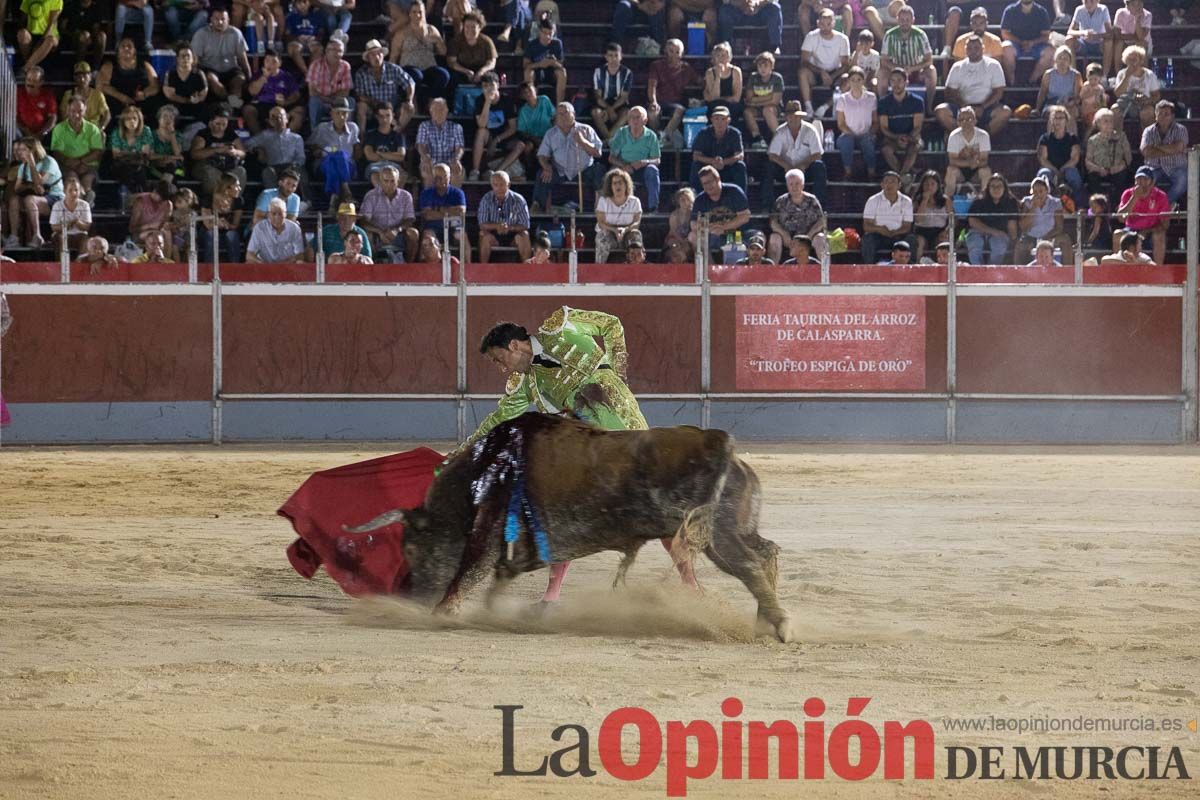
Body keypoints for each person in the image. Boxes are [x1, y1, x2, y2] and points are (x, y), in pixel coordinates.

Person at [532, 103, 604, 212]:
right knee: (542, 174)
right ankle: (538, 205)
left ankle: (600, 206)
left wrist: (583, 141)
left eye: (566, 112)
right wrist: (546, 165)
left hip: (584, 170)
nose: (563, 116)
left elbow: (598, 153)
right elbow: (542, 155)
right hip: (561, 171)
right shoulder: (551, 133)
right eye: (559, 114)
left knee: (599, 170)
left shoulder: (586, 129)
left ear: (574, 114)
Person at [936, 35, 1011, 137]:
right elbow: (949, 92)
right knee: (941, 111)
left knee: (1005, 112)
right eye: (970, 48)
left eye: (976, 48)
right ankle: (961, 136)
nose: (973, 51)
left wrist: (983, 107)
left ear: (983, 49)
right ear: (965, 50)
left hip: (986, 107)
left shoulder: (993, 65)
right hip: (962, 107)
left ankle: (982, 138)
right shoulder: (957, 66)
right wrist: (964, 106)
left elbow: (999, 92)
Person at [763, 101, 826, 210]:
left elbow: (817, 154)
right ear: (786, 117)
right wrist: (786, 165)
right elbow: (772, 155)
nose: (793, 118)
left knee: (819, 166)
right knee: (769, 167)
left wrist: (803, 165)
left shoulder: (810, 130)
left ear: (801, 117)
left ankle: (819, 206)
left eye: (796, 116)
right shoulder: (780, 131)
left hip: (806, 171)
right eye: (791, 116)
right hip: (785, 170)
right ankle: (768, 206)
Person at [5, 137, 63, 250]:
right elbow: (17, 188)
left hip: (55, 198)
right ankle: (14, 237)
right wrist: (30, 186)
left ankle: (37, 236)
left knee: (29, 199)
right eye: (20, 150)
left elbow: (39, 184)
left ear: (33, 150)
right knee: (14, 200)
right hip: (37, 197)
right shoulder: (23, 166)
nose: (20, 153)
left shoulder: (49, 162)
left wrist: (32, 164)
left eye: (24, 150)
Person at [880, 5, 937, 115]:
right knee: (882, 73)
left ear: (913, 20)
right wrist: (898, 69)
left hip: (915, 70)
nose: (904, 22)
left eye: (907, 20)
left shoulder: (920, 35)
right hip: (895, 70)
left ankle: (928, 107)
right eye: (902, 20)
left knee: (931, 71)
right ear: (897, 20)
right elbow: (884, 60)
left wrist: (912, 68)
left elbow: (929, 60)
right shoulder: (889, 35)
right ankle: (883, 108)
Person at [392, 1, 452, 106]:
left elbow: (443, 52)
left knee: (443, 75)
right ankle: (413, 102)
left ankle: (431, 102)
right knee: (416, 75)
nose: (417, 15)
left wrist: (438, 41)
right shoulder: (401, 33)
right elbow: (394, 56)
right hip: (409, 68)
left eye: (420, 12)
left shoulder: (432, 30)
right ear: (409, 14)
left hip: (429, 67)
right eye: (414, 12)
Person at [354, 38, 415, 135]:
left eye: (379, 53)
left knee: (409, 108)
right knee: (361, 106)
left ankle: (396, 133)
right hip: (373, 107)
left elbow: (410, 83)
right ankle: (362, 138)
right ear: (368, 58)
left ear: (383, 55)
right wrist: (375, 103)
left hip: (393, 107)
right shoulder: (361, 73)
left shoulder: (393, 69)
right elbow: (359, 95)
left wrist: (409, 99)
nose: (377, 57)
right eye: (373, 55)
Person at [470, 72, 524, 181]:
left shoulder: (507, 100)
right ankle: (475, 170)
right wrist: (487, 102)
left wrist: (497, 140)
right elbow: (481, 124)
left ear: (498, 85)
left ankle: (497, 172)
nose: (489, 89)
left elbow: (513, 127)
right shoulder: (479, 100)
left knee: (520, 145)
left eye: (492, 85)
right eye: (485, 86)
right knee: (481, 132)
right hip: (488, 135)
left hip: (504, 136)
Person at [645, 38, 697, 150]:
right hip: (659, 101)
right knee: (652, 112)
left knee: (680, 110)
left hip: (675, 104)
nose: (673, 55)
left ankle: (663, 137)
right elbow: (652, 86)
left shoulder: (686, 68)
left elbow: (699, 81)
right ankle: (654, 140)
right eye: (671, 51)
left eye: (677, 52)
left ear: (682, 54)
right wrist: (653, 101)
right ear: (665, 51)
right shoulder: (656, 65)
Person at [767, 168, 827, 265]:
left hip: (809, 237)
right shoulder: (781, 201)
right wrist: (784, 234)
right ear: (787, 185)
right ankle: (773, 273)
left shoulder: (812, 200)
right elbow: (773, 222)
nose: (794, 187)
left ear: (803, 184)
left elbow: (821, 220)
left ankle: (826, 272)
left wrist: (808, 236)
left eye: (797, 183)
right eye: (791, 184)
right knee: (774, 238)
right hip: (787, 239)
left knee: (821, 238)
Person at [360, 165, 419, 262]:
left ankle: (409, 265)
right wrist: (380, 232)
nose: (389, 184)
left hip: (399, 234)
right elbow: (364, 221)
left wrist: (396, 230)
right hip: (377, 235)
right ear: (380, 180)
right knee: (367, 234)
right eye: (386, 181)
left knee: (413, 233)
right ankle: (371, 265)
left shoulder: (406, 196)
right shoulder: (371, 195)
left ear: (398, 181)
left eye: (392, 181)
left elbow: (410, 219)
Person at [608, 107, 662, 213]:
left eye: (638, 117)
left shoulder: (651, 136)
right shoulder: (622, 133)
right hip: (624, 167)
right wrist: (624, 165)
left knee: (653, 170)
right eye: (632, 117)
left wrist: (644, 162)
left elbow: (657, 160)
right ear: (628, 120)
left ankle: (653, 208)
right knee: (614, 174)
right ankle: (615, 208)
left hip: (643, 168)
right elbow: (612, 158)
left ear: (645, 121)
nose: (634, 120)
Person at [49, 97, 103, 204]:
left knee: (87, 182)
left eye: (80, 111)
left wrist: (81, 161)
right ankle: (85, 202)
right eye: (73, 111)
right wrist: (72, 162)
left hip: (88, 165)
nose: (77, 115)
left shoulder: (93, 129)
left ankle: (86, 197)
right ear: (68, 110)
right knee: (72, 182)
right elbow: (57, 153)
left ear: (85, 110)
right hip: (68, 165)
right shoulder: (59, 128)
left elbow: (97, 151)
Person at [308, 96, 360, 206]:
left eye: (344, 113)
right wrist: (318, 151)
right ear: (331, 114)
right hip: (324, 163)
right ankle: (345, 189)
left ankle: (333, 196)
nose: (341, 117)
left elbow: (356, 149)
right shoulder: (322, 128)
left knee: (339, 156)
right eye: (338, 113)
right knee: (333, 159)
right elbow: (311, 145)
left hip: (348, 165)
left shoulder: (353, 128)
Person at [190, 9, 251, 103]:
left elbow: (243, 59)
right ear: (211, 20)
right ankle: (228, 104)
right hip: (210, 68)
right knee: (213, 81)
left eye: (223, 19)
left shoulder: (236, 33)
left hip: (231, 68)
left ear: (228, 20)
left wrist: (248, 77)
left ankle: (234, 107)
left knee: (239, 81)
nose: (220, 22)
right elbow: (195, 61)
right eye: (216, 19)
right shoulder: (201, 34)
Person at [690, 165, 751, 258]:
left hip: (736, 233)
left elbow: (745, 216)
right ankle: (709, 268)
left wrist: (723, 227)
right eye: (704, 184)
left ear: (718, 179)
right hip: (712, 234)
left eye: (710, 182)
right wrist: (709, 228)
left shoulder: (734, 191)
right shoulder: (700, 200)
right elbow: (693, 224)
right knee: (692, 236)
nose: (708, 186)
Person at [800, 8, 850, 118]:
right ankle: (809, 109)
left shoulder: (842, 39)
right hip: (816, 72)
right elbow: (804, 61)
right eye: (822, 23)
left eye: (828, 23)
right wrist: (821, 72)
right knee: (802, 73)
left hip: (835, 73)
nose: (826, 26)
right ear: (818, 23)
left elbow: (846, 64)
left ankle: (825, 107)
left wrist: (832, 76)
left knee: (847, 79)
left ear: (834, 23)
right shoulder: (811, 36)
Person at [190, 105, 248, 199]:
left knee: (241, 171)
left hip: (227, 166)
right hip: (207, 166)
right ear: (211, 123)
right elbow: (194, 154)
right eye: (218, 124)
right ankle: (214, 200)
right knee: (211, 173)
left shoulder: (231, 135)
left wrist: (235, 152)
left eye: (224, 124)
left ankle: (233, 200)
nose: (221, 127)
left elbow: (243, 153)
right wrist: (216, 150)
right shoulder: (203, 135)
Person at [1115, 165, 1169, 265]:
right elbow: (1120, 218)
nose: (1141, 183)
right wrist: (1134, 198)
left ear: (1152, 182)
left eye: (1145, 179)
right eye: (1138, 179)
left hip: (1151, 230)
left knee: (1160, 236)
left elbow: (1165, 224)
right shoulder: (1128, 194)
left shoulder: (1161, 196)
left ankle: (1158, 270)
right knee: (1117, 234)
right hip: (1131, 230)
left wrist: (1147, 231)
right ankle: (1120, 269)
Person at [97, 37, 161, 119]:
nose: (126, 48)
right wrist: (122, 97)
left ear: (134, 51)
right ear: (118, 51)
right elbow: (101, 86)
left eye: (129, 46)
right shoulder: (109, 66)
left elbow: (155, 86)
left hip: (139, 100)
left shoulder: (145, 65)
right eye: (123, 46)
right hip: (117, 101)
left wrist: (144, 94)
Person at [245, 104, 306, 189]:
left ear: (287, 119)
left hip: (291, 167)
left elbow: (301, 158)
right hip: (274, 167)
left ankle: (307, 200)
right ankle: (274, 199)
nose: (278, 119)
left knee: (300, 171)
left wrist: (293, 166)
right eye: (273, 117)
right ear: (270, 121)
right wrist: (258, 149)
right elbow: (247, 144)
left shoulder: (296, 138)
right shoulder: (264, 136)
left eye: (281, 116)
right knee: (267, 172)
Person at [1140, 100, 1188, 207]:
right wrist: (1170, 149)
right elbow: (1146, 151)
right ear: (1155, 116)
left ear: (1172, 116)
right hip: (1154, 167)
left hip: (1176, 167)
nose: (1163, 116)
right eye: (1160, 114)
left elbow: (1178, 147)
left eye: (1166, 114)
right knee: (1144, 182)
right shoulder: (1148, 131)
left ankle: (1163, 205)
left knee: (1182, 182)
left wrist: (1156, 147)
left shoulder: (1181, 129)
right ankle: (1148, 208)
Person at [244, 49, 304, 134]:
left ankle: (287, 138)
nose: (270, 64)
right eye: (267, 61)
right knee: (248, 110)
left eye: (274, 62)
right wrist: (264, 77)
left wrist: (285, 102)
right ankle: (259, 138)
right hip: (263, 104)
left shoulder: (287, 76)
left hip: (281, 105)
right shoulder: (258, 75)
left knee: (299, 111)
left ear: (280, 63)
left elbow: (296, 94)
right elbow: (252, 92)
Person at [878, 68, 924, 177]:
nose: (896, 84)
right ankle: (904, 176)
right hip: (892, 137)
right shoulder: (884, 102)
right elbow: (884, 127)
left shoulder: (917, 101)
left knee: (915, 147)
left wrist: (907, 138)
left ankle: (901, 176)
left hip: (911, 136)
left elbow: (918, 126)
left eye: (899, 80)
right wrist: (897, 138)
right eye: (892, 81)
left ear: (906, 82)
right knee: (886, 150)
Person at [477, 170, 532, 262]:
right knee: (483, 235)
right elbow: (482, 224)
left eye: (502, 184)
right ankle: (483, 269)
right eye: (495, 185)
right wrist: (497, 226)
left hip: (513, 234)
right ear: (492, 186)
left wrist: (510, 227)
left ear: (509, 185)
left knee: (525, 235)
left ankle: (527, 268)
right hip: (493, 234)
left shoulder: (519, 200)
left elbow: (525, 224)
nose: (499, 188)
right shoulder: (486, 199)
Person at [419, 164, 470, 261]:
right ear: (433, 178)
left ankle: (468, 268)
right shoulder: (426, 193)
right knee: (427, 237)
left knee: (462, 236)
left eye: (444, 176)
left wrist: (438, 210)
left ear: (449, 177)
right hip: (433, 227)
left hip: (454, 225)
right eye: (438, 177)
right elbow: (428, 215)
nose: (441, 180)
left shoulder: (457, 193)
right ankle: (425, 267)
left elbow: (460, 212)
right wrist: (449, 212)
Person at [950, 7, 1015, 84]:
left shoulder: (995, 41)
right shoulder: (960, 41)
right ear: (971, 24)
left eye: (981, 23)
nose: (978, 26)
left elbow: (996, 68)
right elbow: (959, 68)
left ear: (986, 24)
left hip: (988, 80)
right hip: (967, 80)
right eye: (975, 23)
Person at [861, 171, 915, 263]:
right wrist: (880, 229)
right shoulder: (873, 200)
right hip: (879, 235)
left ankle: (911, 269)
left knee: (912, 239)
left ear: (899, 185)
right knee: (867, 239)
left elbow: (907, 226)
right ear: (882, 185)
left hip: (899, 235)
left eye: (893, 182)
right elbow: (866, 225)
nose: (889, 184)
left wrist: (896, 232)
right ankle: (869, 270)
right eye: (886, 181)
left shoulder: (906, 201)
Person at [966, 172, 1019, 264]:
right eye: (993, 186)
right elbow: (972, 221)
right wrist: (993, 231)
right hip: (978, 232)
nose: (996, 189)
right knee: (975, 244)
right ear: (988, 188)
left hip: (1000, 234)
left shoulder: (1011, 202)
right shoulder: (979, 201)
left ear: (1004, 188)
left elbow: (1012, 226)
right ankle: (977, 271)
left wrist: (1013, 242)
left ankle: (992, 272)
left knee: (998, 246)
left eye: (999, 186)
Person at [835, 66, 878, 180]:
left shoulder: (871, 97)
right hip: (848, 133)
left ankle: (871, 173)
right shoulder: (843, 99)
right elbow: (841, 124)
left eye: (859, 79)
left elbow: (875, 121)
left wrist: (870, 133)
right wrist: (850, 134)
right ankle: (848, 172)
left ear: (863, 81)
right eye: (853, 80)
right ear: (849, 81)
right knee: (846, 141)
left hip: (866, 134)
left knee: (867, 142)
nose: (856, 83)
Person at [594, 168, 643, 263]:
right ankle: (599, 268)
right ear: (610, 186)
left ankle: (636, 267)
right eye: (614, 183)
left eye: (620, 182)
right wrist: (614, 230)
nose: (617, 185)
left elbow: (637, 223)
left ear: (626, 185)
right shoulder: (603, 201)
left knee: (636, 235)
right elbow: (601, 223)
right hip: (609, 232)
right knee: (602, 237)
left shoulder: (635, 201)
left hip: (627, 232)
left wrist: (625, 230)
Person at [1085, 107, 1131, 206]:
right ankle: (1098, 206)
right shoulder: (1092, 140)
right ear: (1098, 124)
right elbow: (1088, 161)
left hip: (1117, 169)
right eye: (1105, 121)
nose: (1109, 124)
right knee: (1092, 178)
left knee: (1122, 177)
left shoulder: (1121, 137)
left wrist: (1120, 166)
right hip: (1099, 170)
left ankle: (1118, 206)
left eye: (1111, 121)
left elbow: (1128, 157)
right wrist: (1099, 169)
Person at [1000, 0, 1055, 83]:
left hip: (1037, 46)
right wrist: (1021, 42)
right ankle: (1012, 83)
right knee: (1005, 48)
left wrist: (1032, 43)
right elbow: (1004, 33)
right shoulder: (1010, 10)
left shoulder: (1041, 11)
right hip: (1016, 45)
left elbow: (1046, 35)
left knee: (1050, 52)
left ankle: (1032, 81)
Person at [1037, 104, 1083, 202]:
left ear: (1066, 120)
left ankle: (1079, 206)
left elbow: (1075, 158)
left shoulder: (1072, 139)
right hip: (1050, 168)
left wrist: (1062, 170)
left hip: (1067, 168)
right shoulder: (1045, 138)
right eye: (1055, 118)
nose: (1058, 120)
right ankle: (1042, 204)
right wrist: (1055, 171)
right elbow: (1042, 159)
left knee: (1073, 175)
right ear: (1051, 121)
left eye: (1061, 118)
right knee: (1043, 174)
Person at [1018, 175, 1071, 260]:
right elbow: (1022, 226)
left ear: (1047, 191)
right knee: (1020, 246)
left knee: (1065, 240)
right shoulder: (1027, 202)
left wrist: (1046, 238)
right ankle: (1018, 272)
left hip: (1050, 236)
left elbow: (1059, 227)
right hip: (1031, 236)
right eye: (1035, 191)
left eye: (1041, 191)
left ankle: (1068, 271)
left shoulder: (1055, 203)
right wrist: (1033, 208)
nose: (1038, 194)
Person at [417, 97, 466, 188]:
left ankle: (454, 200)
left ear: (447, 111)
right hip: (431, 161)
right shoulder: (424, 126)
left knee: (457, 170)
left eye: (441, 109)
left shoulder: (456, 127)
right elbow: (421, 146)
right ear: (431, 112)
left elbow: (460, 148)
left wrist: (456, 159)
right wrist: (425, 157)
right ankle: (430, 200)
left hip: (450, 161)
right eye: (435, 110)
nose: (439, 112)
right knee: (427, 169)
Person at [306, 37, 352, 132]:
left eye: (340, 51)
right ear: (327, 51)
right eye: (334, 50)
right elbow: (312, 91)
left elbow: (346, 91)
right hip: (321, 101)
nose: (337, 53)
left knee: (350, 101)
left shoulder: (345, 66)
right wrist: (327, 99)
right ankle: (315, 137)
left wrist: (333, 100)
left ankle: (347, 135)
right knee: (314, 101)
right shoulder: (316, 64)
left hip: (337, 102)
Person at [108, 105, 154, 201]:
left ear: (139, 120)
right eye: (128, 119)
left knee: (139, 170)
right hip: (121, 165)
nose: (132, 121)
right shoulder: (116, 132)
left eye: (134, 118)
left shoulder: (146, 131)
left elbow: (145, 154)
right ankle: (128, 201)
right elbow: (116, 155)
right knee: (127, 171)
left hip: (141, 164)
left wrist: (126, 154)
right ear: (123, 121)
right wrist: (135, 154)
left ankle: (140, 201)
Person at [589, 42, 633, 141]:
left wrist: (612, 109)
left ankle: (608, 139)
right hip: (603, 103)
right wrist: (609, 109)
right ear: (605, 57)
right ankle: (609, 138)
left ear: (621, 56)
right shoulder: (598, 71)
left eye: (616, 56)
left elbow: (624, 97)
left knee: (627, 113)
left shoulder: (627, 73)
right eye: (610, 55)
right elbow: (598, 97)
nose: (613, 59)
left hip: (619, 104)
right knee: (596, 112)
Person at [246, 197, 313, 263]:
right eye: (274, 214)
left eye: (280, 214)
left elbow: (299, 255)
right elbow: (249, 255)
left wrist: (286, 263)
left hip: (288, 266)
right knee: (249, 262)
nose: (277, 217)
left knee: (300, 262)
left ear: (285, 214)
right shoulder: (259, 228)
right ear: (268, 215)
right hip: (265, 266)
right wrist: (262, 264)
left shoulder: (294, 228)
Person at [199, 173, 244, 263]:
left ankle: (235, 267)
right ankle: (209, 267)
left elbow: (235, 225)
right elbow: (207, 224)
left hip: (228, 231)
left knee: (232, 235)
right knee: (211, 234)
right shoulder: (208, 199)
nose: (240, 189)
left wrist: (226, 225)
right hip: (209, 232)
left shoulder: (238, 201)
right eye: (237, 186)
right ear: (227, 188)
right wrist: (217, 222)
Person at [1110, 44, 1159, 128]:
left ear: (1141, 60)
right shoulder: (1122, 73)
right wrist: (1127, 76)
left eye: (1134, 59)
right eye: (1129, 59)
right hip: (1125, 103)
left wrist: (1148, 101)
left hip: (1144, 103)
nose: (1132, 62)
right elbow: (1118, 94)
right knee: (1114, 110)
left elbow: (1156, 95)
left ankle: (1147, 139)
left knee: (1148, 112)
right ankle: (1117, 139)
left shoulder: (1149, 74)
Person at [161, 45, 209, 127]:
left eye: (188, 56)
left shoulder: (199, 74)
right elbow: (169, 95)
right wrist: (186, 100)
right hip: (176, 104)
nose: (185, 59)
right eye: (182, 56)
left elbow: (204, 92)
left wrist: (198, 99)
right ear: (177, 58)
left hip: (195, 104)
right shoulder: (170, 74)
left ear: (193, 58)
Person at [743, 51, 784, 148]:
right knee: (747, 112)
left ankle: (778, 138)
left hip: (774, 108)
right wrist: (769, 96)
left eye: (766, 66)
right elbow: (749, 99)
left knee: (767, 110)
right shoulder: (753, 77)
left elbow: (775, 101)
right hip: (756, 108)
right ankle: (757, 138)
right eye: (760, 66)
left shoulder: (777, 78)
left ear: (772, 67)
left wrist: (756, 100)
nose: (763, 69)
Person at [1035, 46, 1083, 128]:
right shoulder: (1048, 74)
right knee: (1056, 112)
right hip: (1052, 104)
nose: (1062, 61)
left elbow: (1077, 97)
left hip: (1069, 104)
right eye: (1060, 58)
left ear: (1070, 61)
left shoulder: (1076, 75)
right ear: (1055, 59)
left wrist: (1070, 103)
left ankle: (1072, 139)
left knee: (1070, 112)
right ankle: (1052, 138)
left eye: (1065, 59)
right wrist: (1037, 109)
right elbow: (1043, 93)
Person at [449, 11, 499, 90]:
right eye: (467, 26)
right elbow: (451, 62)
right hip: (461, 70)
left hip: (482, 69)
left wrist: (481, 72)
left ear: (480, 27)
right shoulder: (456, 41)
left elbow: (492, 61)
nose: (469, 30)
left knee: (491, 78)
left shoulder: (487, 41)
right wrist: (466, 71)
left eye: (473, 27)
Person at [910, 170, 950, 260]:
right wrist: (924, 200)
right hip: (922, 230)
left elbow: (953, 219)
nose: (929, 187)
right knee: (919, 242)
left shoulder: (945, 200)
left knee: (943, 242)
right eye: (926, 184)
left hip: (939, 230)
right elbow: (918, 220)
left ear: (937, 186)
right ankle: (916, 265)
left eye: (932, 184)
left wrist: (946, 231)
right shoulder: (917, 200)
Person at [717, 0, 783, 54]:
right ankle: (726, 47)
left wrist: (757, 3)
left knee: (775, 8)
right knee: (724, 10)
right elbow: (725, 1)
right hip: (738, 12)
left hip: (760, 12)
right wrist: (742, 4)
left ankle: (774, 46)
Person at [15, 0, 64, 73]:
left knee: (50, 40)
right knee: (22, 33)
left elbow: (51, 24)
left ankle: (25, 68)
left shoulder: (57, 0)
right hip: (32, 34)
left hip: (49, 34)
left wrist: (40, 42)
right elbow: (22, 20)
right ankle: (28, 64)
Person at [60, 61, 110, 131]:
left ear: (90, 77)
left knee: (102, 136)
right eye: (79, 76)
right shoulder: (68, 94)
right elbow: (64, 115)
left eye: (85, 76)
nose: (82, 79)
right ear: (74, 78)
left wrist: (101, 128)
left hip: (93, 129)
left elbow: (106, 114)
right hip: (74, 128)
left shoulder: (98, 95)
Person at [49, 175, 92, 256]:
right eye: (70, 190)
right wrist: (66, 225)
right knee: (62, 238)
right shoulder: (57, 205)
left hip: (79, 235)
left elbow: (87, 227)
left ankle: (79, 264)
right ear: (65, 191)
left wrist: (77, 222)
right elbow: (53, 227)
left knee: (85, 240)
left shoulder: (84, 205)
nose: (74, 193)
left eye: (76, 190)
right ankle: (62, 265)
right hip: (62, 235)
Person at [1109, 0, 1152, 78]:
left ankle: (1143, 77)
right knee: (1118, 43)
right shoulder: (1120, 13)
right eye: (1134, 4)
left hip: (1143, 43)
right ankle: (1119, 76)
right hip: (1124, 43)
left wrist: (1137, 19)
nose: (1137, 7)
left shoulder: (1148, 15)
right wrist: (1134, 37)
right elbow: (1117, 35)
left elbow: (1141, 36)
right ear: (1127, 5)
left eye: (1139, 4)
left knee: (1141, 44)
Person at [1066, 0, 1112, 72]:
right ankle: (1073, 72)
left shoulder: (1103, 9)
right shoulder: (1079, 10)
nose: (1089, 4)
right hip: (1083, 43)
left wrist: (1095, 36)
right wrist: (1083, 32)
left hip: (1099, 44)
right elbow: (1070, 31)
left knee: (1109, 42)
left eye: (1091, 1)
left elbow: (1109, 33)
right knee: (1069, 40)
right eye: (1086, 1)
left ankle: (1105, 75)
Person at [702, 43, 743, 123]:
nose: (721, 58)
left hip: (732, 104)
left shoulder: (736, 71)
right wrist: (717, 76)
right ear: (714, 58)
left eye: (724, 55)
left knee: (733, 109)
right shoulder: (710, 72)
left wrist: (721, 99)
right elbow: (714, 97)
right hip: (715, 104)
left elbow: (736, 98)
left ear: (729, 57)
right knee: (713, 109)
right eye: (718, 56)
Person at [17, 67, 58, 141]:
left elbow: (53, 117)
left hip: (43, 133)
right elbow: (13, 118)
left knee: (56, 132)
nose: (30, 83)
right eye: (28, 80)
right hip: (22, 131)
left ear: (41, 82)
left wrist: (43, 133)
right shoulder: (18, 94)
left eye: (34, 81)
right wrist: (25, 131)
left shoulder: (48, 95)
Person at [129, 180, 173, 248]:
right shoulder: (141, 202)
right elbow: (132, 229)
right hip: (140, 234)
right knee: (158, 237)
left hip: (159, 233)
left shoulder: (168, 205)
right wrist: (149, 226)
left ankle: (164, 258)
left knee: (166, 234)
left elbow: (165, 225)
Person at [664, 187, 696, 263]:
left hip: (689, 240)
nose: (685, 202)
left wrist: (685, 241)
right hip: (675, 238)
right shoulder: (674, 215)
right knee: (674, 245)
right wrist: (680, 241)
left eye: (687, 199)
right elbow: (673, 231)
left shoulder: (694, 214)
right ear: (678, 201)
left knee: (686, 248)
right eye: (682, 200)